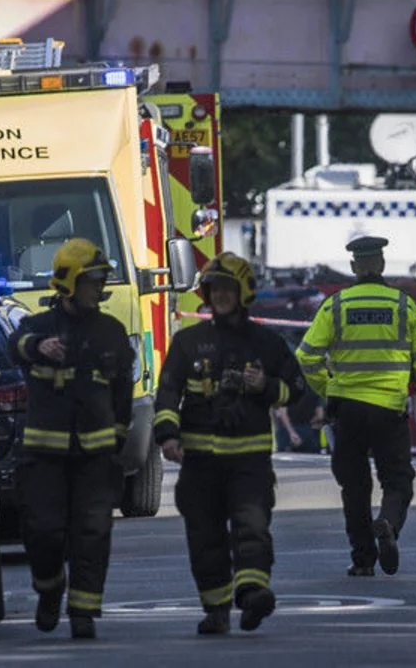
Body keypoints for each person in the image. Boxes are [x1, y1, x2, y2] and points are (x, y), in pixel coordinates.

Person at [153, 252, 307, 635]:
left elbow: (298, 390)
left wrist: (265, 387)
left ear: (243, 293)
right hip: (200, 462)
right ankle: (216, 609)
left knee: (252, 527)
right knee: (204, 538)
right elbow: (168, 391)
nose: (220, 295)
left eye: (227, 288)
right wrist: (168, 436)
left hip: (249, 460)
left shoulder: (267, 343)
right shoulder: (188, 342)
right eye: (214, 288)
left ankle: (253, 594)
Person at [6, 237, 134, 640]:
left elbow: (123, 394)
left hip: (95, 458)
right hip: (44, 458)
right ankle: (49, 590)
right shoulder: (37, 326)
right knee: (43, 531)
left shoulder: (112, 332)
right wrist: (38, 348)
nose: (99, 287)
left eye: (100, 280)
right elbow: (14, 347)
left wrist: (115, 440)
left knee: (93, 533)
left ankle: (83, 613)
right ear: (70, 283)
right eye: (93, 280)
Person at [295, 236, 416, 577]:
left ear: (354, 267)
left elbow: (305, 357)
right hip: (389, 410)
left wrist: (328, 389)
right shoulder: (404, 306)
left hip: (347, 411)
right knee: (398, 479)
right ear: (381, 265)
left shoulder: (336, 305)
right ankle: (388, 523)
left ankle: (363, 560)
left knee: (354, 486)